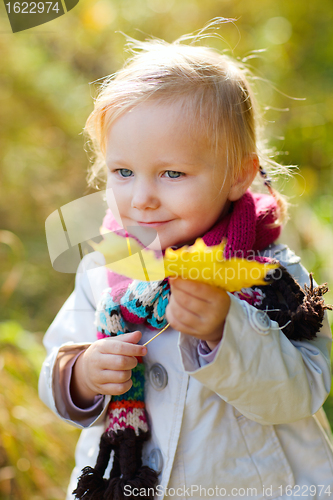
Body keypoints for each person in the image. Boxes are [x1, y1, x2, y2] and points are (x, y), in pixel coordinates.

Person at [39, 23, 333, 500]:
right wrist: (83, 374)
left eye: (172, 173)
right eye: (124, 172)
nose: (142, 198)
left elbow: (302, 392)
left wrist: (226, 330)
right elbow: (56, 364)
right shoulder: (105, 270)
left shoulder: (269, 274)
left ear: (239, 174)